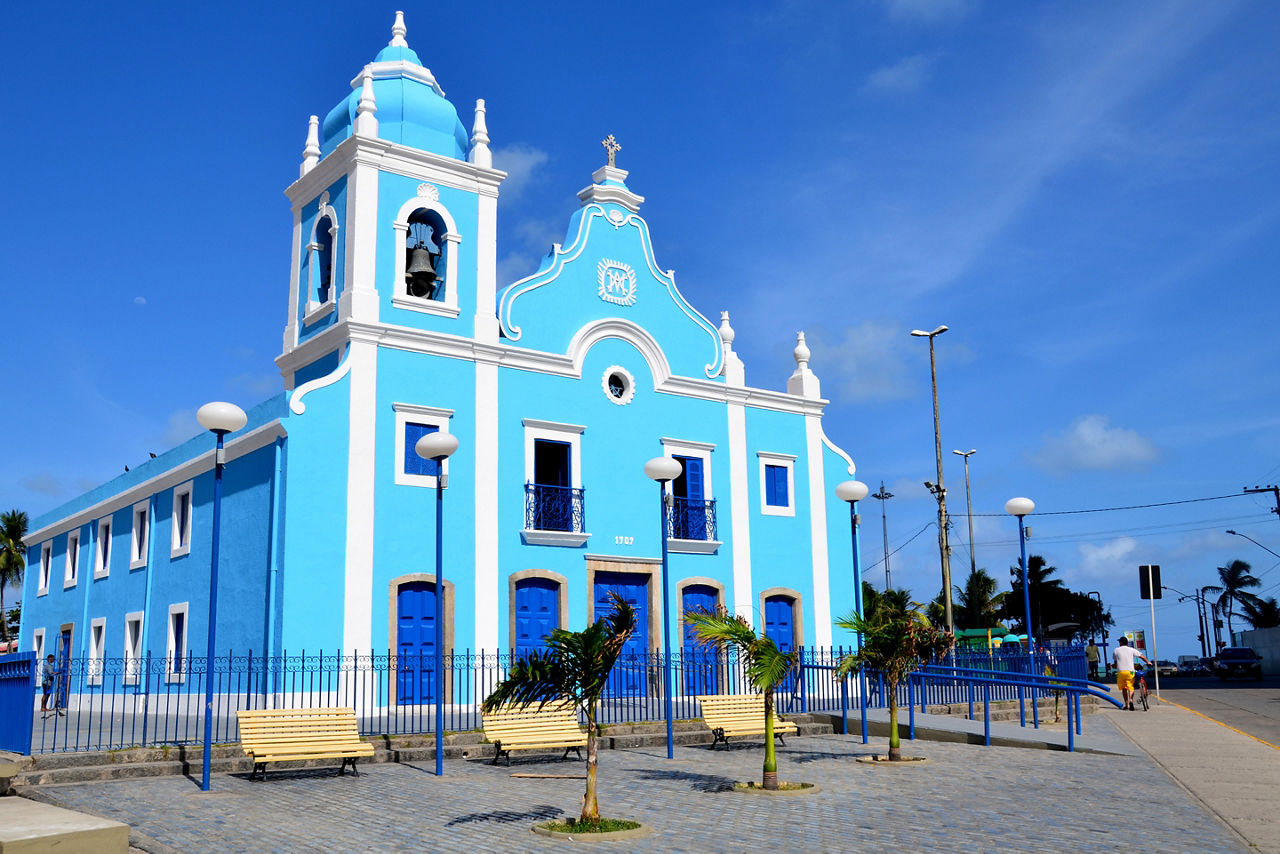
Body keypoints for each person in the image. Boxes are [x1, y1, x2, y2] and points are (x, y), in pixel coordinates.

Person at [1113, 636, 1151, 711]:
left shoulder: (1116, 650)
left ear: (1121, 642)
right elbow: (1142, 657)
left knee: (1124, 688)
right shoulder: (1131, 650)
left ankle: (1126, 704)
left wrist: (1113, 666)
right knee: (1130, 687)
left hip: (1121, 672)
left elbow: (1115, 663)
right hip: (1130, 672)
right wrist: (1148, 662)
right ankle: (1131, 699)